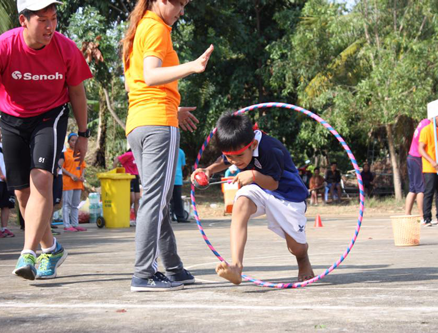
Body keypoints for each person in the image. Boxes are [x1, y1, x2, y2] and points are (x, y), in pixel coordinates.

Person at [0, 0, 93, 280]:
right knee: (22, 193)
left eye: (54, 18)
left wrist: (83, 134)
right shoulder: (3, 46)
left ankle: (28, 253)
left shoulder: (66, 49)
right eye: (42, 20)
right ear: (23, 20)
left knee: (42, 179)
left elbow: (78, 93)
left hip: (51, 115)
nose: (50, 26)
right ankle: (51, 247)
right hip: (11, 119)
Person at [122, 0, 213, 291]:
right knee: (155, 201)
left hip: (139, 122)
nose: (182, 11)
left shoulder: (139, 28)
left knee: (155, 200)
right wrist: (193, 67)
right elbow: (150, 76)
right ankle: (144, 274)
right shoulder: (157, 27)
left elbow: (132, 85)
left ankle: (172, 267)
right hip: (158, 123)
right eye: (179, 4)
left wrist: (174, 107)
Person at [192, 112, 313, 285]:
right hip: (260, 189)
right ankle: (236, 266)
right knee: (240, 204)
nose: (234, 162)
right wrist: (209, 170)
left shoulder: (271, 149)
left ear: (253, 144)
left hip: (287, 195)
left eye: (239, 156)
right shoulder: (236, 149)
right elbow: (224, 161)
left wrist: (254, 175)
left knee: (295, 248)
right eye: (230, 156)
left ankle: (303, 260)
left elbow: (274, 184)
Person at [405, 118, 430, 221]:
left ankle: (407, 214)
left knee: (413, 189)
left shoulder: (424, 121)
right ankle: (422, 216)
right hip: (416, 157)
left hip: (411, 156)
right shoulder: (428, 125)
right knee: (421, 189)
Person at [61, 133, 87, 232]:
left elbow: (83, 166)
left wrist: (82, 175)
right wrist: (71, 175)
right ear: (68, 142)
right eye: (72, 140)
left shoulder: (80, 153)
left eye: (76, 140)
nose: (74, 142)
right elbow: (61, 167)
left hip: (78, 182)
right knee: (67, 204)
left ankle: (75, 224)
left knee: (75, 204)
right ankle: (67, 225)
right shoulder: (65, 153)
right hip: (68, 182)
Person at [113, 147, 141, 226]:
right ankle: (125, 219)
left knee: (137, 199)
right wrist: (114, 172)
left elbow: (138, 167)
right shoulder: (129, 154)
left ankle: (137, 220)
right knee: (131, 199)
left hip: (135, 178)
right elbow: (117, 159)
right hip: (128, 177)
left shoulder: (138, 156)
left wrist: (139, 177)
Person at [418, 118, 438, 227]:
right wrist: (432, 161)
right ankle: (427, 218)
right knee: (429, 192)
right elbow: (421, 149)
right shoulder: (426, 130)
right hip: (430, 167)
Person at [170, 147, 189, 222]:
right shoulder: (181, 151)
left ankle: (169, 216)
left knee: (166, 199)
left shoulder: (165, 149)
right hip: (177, 177)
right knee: (177, 198)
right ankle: (180, 217)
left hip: (167, 178)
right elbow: (182, 166)